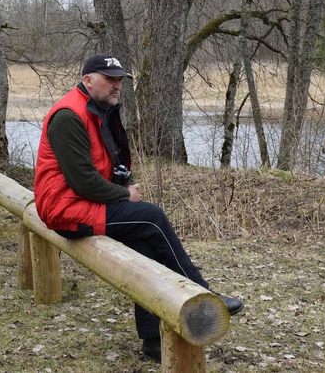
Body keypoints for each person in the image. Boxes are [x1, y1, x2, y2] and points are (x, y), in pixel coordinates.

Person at [34, 54, 243, 363]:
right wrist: (124, 194)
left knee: (144, 242)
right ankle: (202, 292)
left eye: (120, 79)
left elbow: (105, 166)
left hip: (81, 204)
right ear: (88, 79)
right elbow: (83, 182)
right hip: (65, 211)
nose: (117, 85)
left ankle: (153, 342)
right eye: (110, 79)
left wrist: (121, 183)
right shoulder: (69, 115)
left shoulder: (98, 110)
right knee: (152, 217)